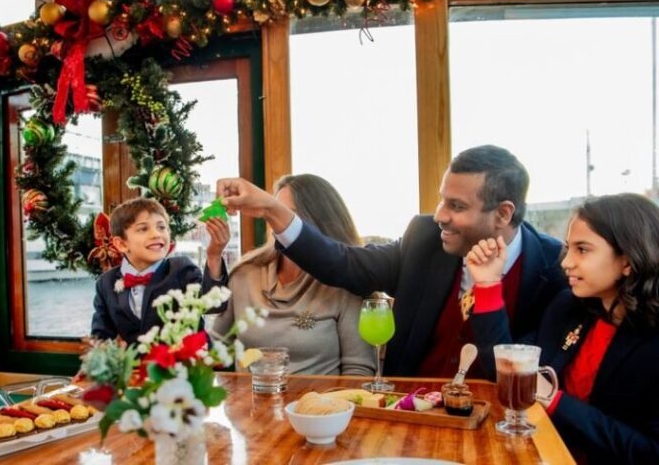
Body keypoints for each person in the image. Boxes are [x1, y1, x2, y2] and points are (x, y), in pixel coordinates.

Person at [216, 145, 568, 377]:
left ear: (503, 213)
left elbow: (521, 380)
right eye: (441, 200)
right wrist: (272, 210)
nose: (440, 216)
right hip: (413, 416)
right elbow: (344, 263)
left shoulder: (553, 271)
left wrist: (488, 288)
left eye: (457, 206)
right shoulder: (424, 240)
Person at [466, 194, 659, 464]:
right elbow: (505, 369)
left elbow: (649, 451)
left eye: (582, 249)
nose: (566, 262)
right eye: (568, 248)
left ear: (627, 261)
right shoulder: (569, 306)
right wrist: (487, 284)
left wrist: (555, 400)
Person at [212, 174, 376, 376]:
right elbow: (215, 347)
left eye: (286, 214)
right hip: (249, 405)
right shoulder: (243, 274)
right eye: (271, 211)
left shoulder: (345, 283)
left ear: (319, 220)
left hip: (317, 405)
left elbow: (359, 371)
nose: (276, 221)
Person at [91, 197, 229, 344]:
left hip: (188, 364)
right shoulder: (105, 283)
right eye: (143, 229)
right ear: (121, 244)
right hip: (136, 366)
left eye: (161, 227)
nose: (156, 234)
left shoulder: (182, 268)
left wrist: (214, 255)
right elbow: (101, 336)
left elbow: (214, 304)